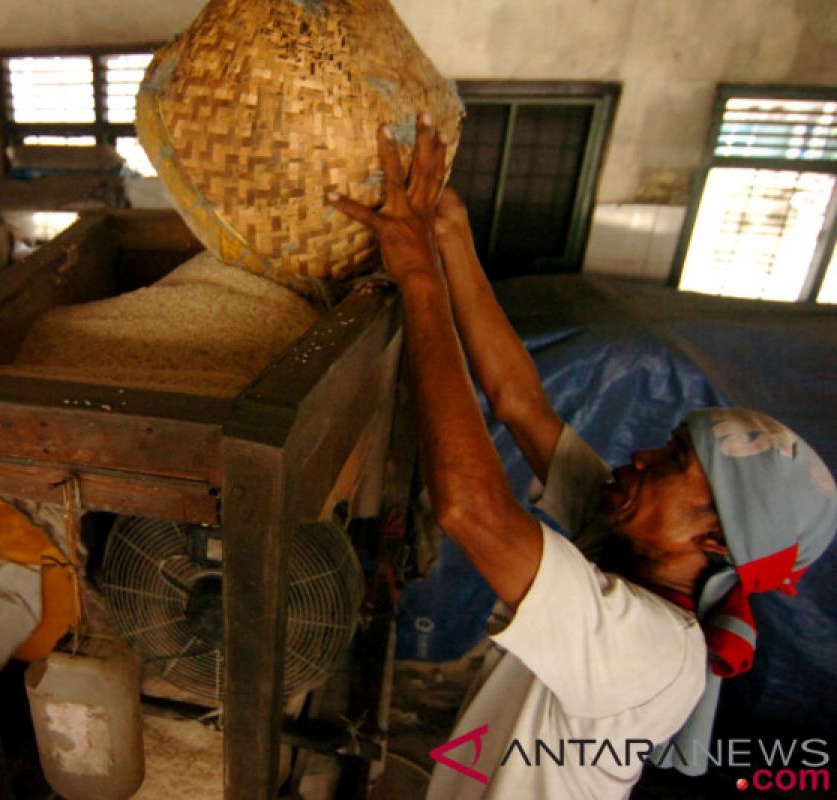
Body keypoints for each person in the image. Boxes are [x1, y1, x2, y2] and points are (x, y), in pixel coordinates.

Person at [327, 116, 837, 798]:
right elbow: (520, 402)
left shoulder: (649, 648)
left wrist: (420, 279)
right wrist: (447, 231)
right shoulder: (626, 550)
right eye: (669, 442)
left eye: (675, 462)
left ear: (715, 537)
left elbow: (469, 507)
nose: (643, 455)